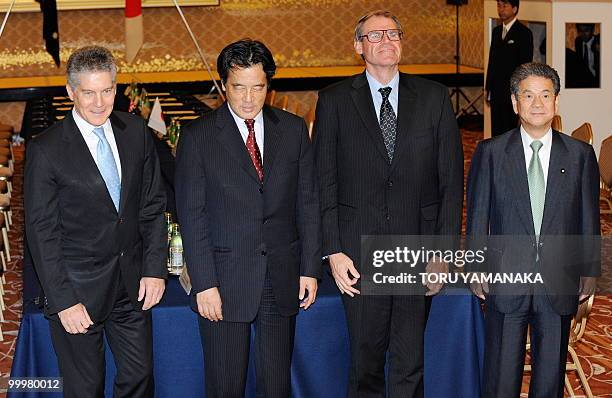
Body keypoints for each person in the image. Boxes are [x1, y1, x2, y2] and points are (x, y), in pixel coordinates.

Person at [313, 10, 463, 397]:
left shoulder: (434, 98)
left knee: (410, 361)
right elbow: (322, 183)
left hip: (418, 247)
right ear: (358, 46)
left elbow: (451, 181)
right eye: (375, 35)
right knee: (365, 361)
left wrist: (443, 253)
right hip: (358, 252)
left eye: (393, 33)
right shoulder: (333, 101)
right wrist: (333, 250)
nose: (385, 41)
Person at [175, 39, 321, 397]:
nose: (248, 98)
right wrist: (205, 283)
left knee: (276, 385)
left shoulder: (292, 129)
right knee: (225, 385)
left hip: (281, 276)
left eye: (258, 87)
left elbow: (308, 203)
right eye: (238, 87)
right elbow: (192, 216)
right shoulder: (198, 137)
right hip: (223, 280)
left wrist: (309, 269)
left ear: (268, 86)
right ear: (224, 84)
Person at [24, 46, 167, 397]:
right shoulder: (46, 149)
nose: (100, 102)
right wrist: (62, 301)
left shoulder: (135, 131)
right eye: (88, 92)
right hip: (77, 292)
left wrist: (154, 269)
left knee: (140, 377)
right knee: (85, 388)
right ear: (71, 92)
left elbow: (152, 205)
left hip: (132, 284)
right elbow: (42, 233)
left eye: (107, 90)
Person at [467, 62, 600, 397]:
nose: (537, 103)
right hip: (506, 280)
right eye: (528, 95)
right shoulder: (491, 152)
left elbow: (589, 219)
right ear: (515, 103)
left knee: (549, 377)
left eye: (545, 95)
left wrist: (589, 272)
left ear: (556, 102)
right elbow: (478, 214)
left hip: (558, 281)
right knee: (501, 376)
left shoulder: (580, 155)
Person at [486, 0, 533, 136]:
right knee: (496, 128)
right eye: (499, 6)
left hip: (513, 89)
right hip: (496, 89)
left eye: (505, 6)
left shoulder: (524, 33)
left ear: (514, 8)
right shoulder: (496, 32)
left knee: (510, 128)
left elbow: (524, 65)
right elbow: (492, 61)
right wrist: (488, 86)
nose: (501, 9)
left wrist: (520, 91)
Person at [574, 23, 600, 87]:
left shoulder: (599, 41)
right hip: (583, 81)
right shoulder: (578, 41)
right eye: (580, 31)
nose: (583, 34)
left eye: (586, 30)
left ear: (593, 30)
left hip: (597, 80)